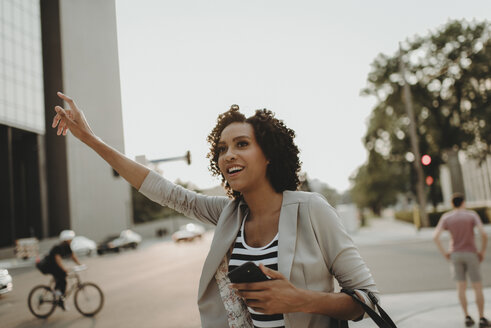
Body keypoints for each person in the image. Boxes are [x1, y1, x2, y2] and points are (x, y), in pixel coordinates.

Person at [51, 92, 378, 327]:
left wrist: (299, 299)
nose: (228, 155)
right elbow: (164, 190)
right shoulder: (228, 214)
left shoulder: (311, 209)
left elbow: (366, 301)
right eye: (222, 149)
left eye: (242, 144)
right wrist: (90, 139)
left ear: (268, 155)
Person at [434, 193, 490, 327]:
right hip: (471, 253)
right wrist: (482, 251)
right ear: (463, 203)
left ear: (452, 204)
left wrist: (445, 253)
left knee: (461, 287)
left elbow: (435, 236)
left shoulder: (447, 217)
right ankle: (482, 318)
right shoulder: (471, 215)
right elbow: (483, 234)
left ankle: (467, 316)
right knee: (477, 286)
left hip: (455, 254)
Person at [36, 229, 82, 310]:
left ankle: (58, 296)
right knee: (63, 280)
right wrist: (64, 269)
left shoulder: (67, 247)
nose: (71, 240)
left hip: (55, 266)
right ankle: (59, 299)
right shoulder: (58, 247)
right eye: (70, 239)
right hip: (48, 266)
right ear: (65, 239)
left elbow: (73, 256)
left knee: (62, 278)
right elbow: (58, 259)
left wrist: (80, 265)